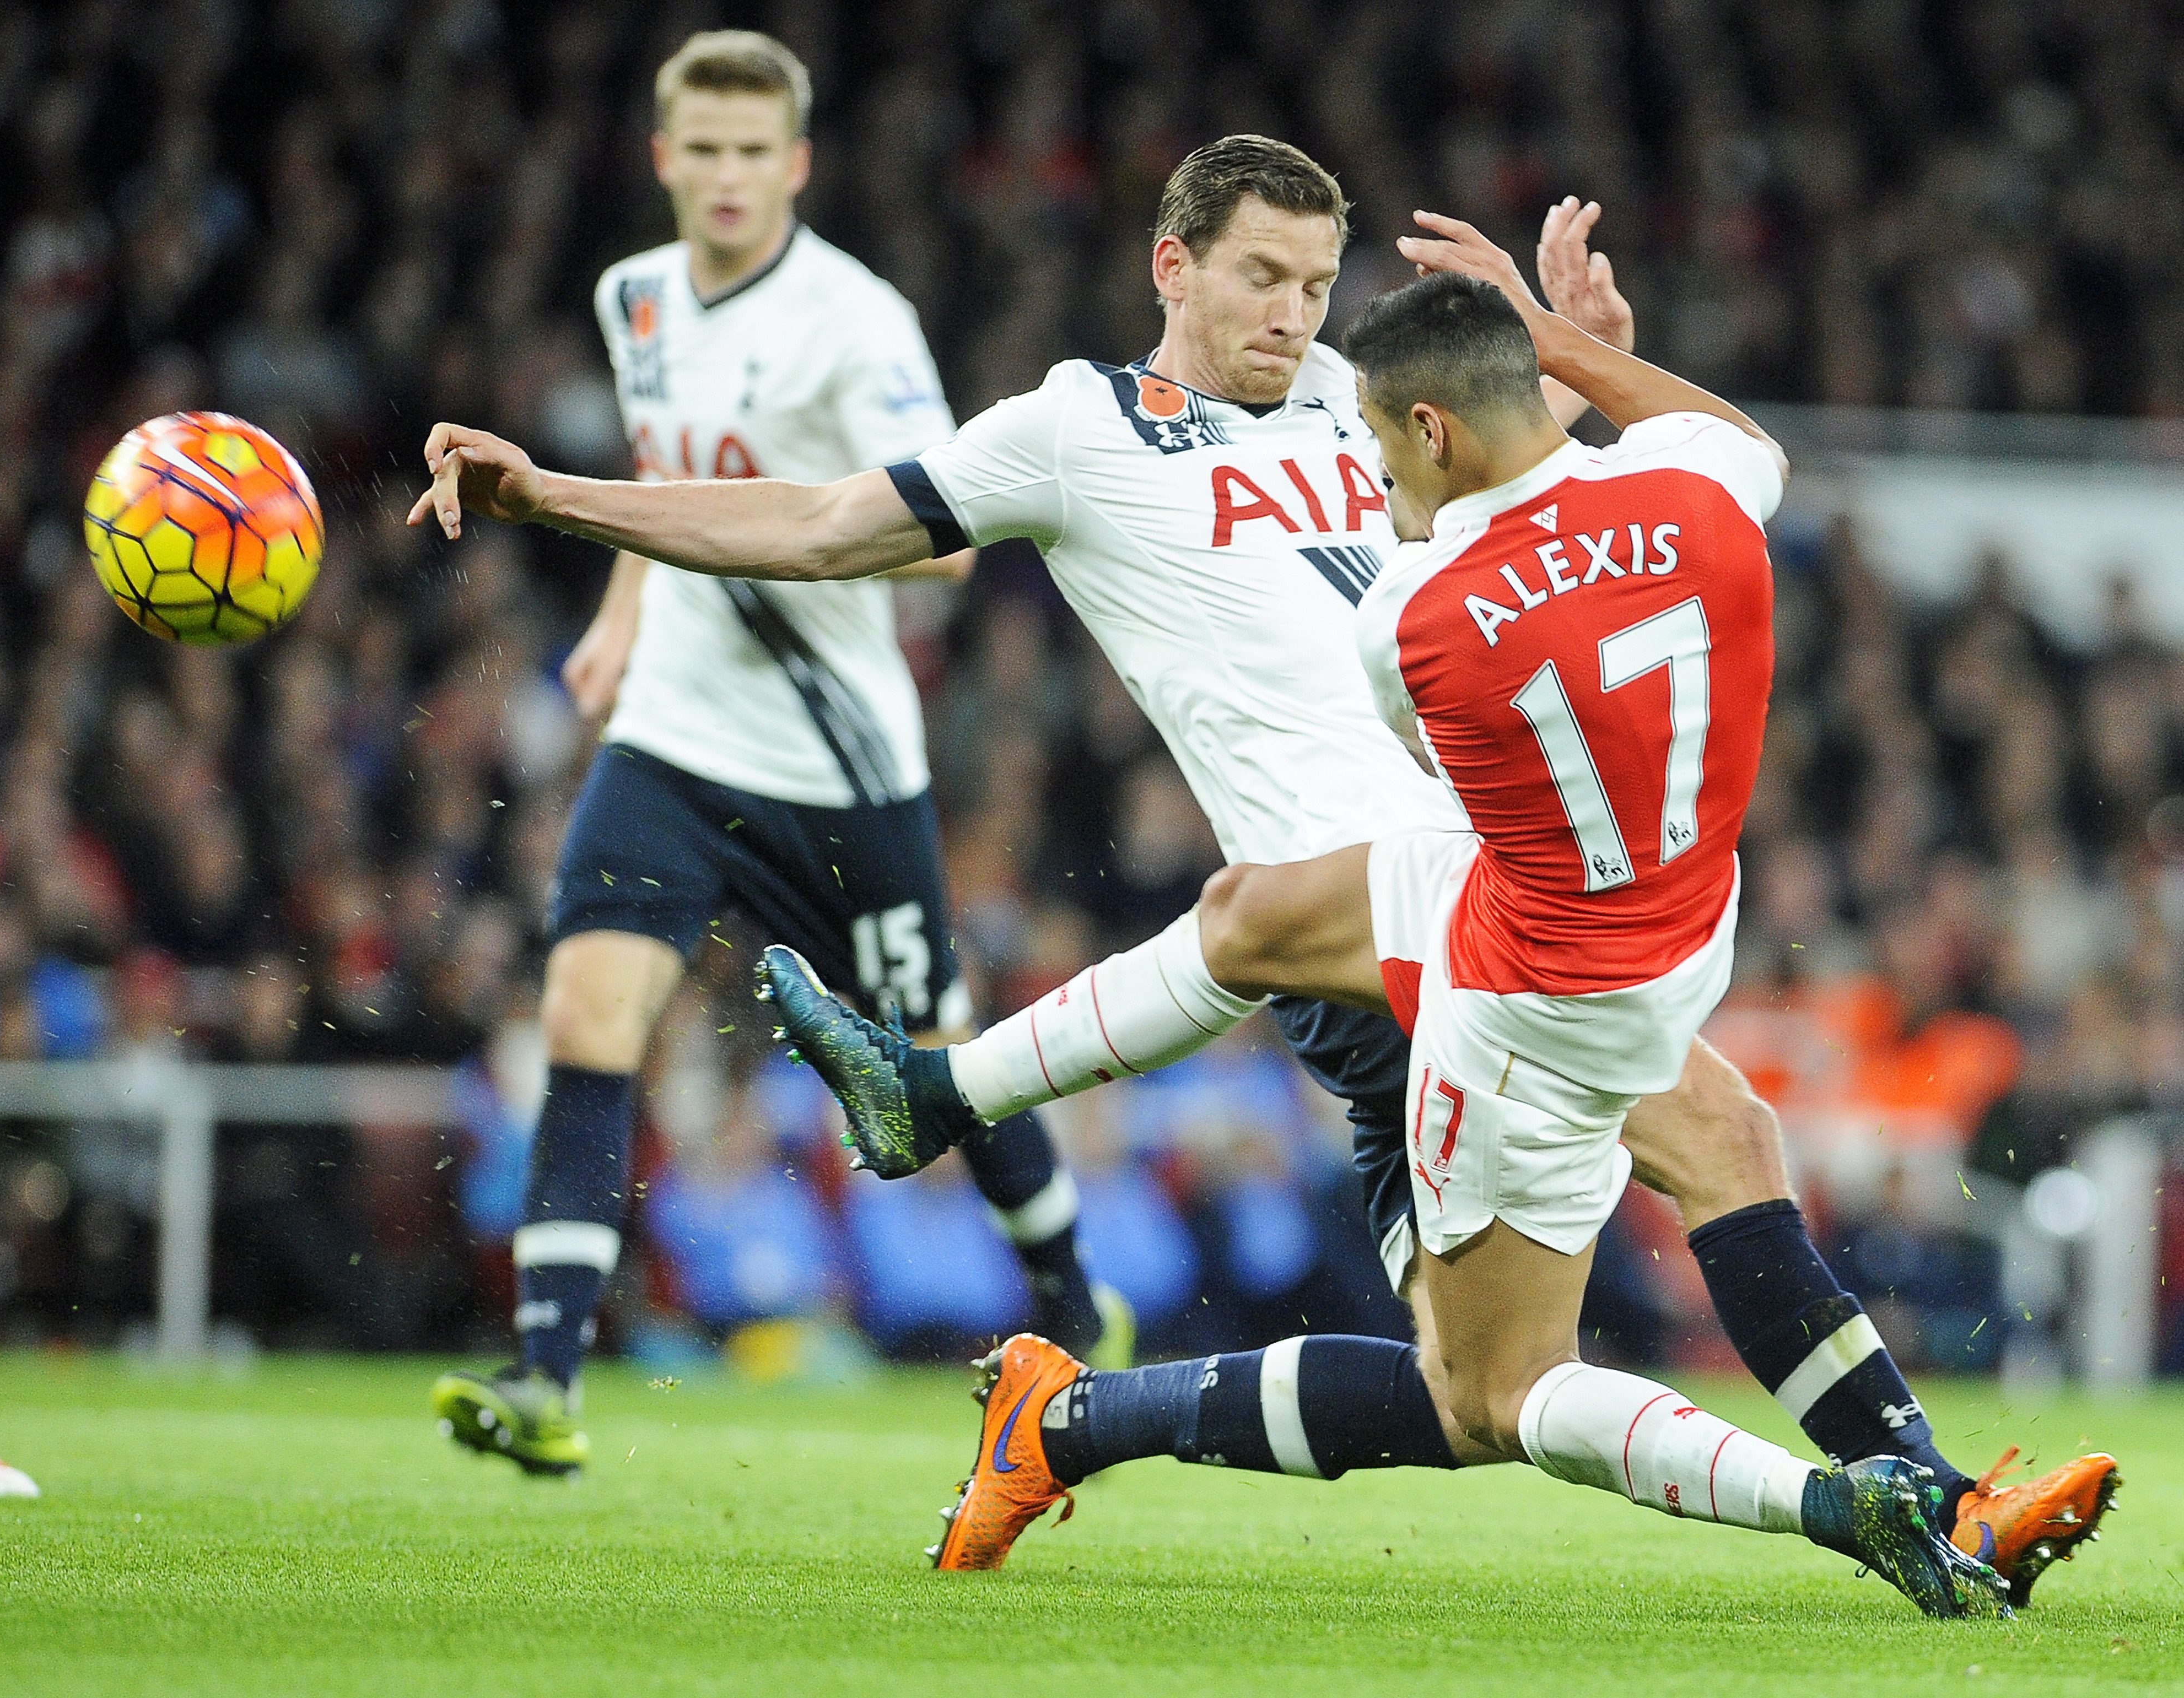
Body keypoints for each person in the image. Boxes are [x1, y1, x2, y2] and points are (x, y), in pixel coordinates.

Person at [403, 138, 2110, 1604]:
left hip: (1471, 896)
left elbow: (1552, 547)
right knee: (1342, 975)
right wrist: (552, 494)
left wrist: (1573, 373)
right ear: (1173, 265)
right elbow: (825, 522)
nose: (1297, 312)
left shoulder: (1372, 413)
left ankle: (1065, 1418)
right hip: (1383, 913)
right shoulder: (1071, 434)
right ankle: (1929, 1503)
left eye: (1317, 279)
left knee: (1489, 1380)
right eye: (1265, 277)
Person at [427, 30, 1126, 1479]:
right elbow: (655, 469)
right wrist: (630, 606)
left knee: (945, 1066)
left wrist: (780, 543)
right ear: (666, 156)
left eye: (760, 152)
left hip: (838, 770)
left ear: (797, 164)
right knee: (585, 1016)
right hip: (673, 742)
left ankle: (1070, 1297)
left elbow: (942, 546)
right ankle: (549, 1368)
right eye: (709, 149)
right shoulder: (634, 298)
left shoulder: (858, 325)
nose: (733, 175)